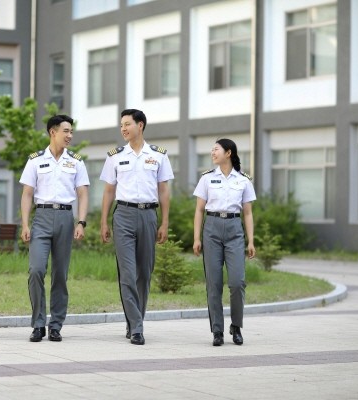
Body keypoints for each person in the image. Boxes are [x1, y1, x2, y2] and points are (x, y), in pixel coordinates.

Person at [99, 108, 174, 346]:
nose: (123, 129)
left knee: (144, 272)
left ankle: (134, 322)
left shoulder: (159, 155)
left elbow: (163, 190)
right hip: (123, 215)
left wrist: (164, 222)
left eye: (127, 124)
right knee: (128, 274)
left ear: (140, 126)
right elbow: (109, 190)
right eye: (121, 125)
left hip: (149, 216)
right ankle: (137, 327)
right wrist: (103, 221)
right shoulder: (114, 156)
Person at [19, 114, 89, 342]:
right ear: (53, 132)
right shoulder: (36, 160)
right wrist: (25, 224)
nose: (69, 136)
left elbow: (82, 193)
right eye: (66, 131)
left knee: (60, 274)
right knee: (36, 270)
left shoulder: (76, 161)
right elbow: (27, 193)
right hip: (42, 217)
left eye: (71, 132)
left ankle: (56, 325)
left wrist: (81, 221)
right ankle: (38, 323)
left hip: (65, 218)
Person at [192, 138, 256, 346]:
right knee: (214, 283)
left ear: (228, 153)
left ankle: (236, 326)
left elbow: (247, 213)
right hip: (211, 229)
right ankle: (217, 331)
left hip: (234, 229)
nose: (213, 152)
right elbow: (199, 210)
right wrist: (196, 238)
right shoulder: (207, 179)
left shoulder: (243, 180)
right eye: (212, 150)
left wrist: (251, 241)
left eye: (216, 149)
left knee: (237, 282)